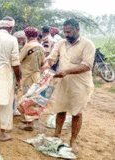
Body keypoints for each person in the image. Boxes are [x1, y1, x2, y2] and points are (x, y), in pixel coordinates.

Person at [42, 19, 95, 152]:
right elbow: (52, 57)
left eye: (69, 31)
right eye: (64, 32)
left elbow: (87, 65)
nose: (66, 34)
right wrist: (47, 64)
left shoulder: (88, 44)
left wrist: (66, 71)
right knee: (60, 110)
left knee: (77, 113)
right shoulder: (61, 43)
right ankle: (57, 135)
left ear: (77, 29)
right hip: (63, 83)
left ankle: (73, 141)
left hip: (80, 85)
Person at [18, 27, 45, 131]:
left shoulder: (27, 46)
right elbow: (43, 63)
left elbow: (18, 60)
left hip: (27, 76)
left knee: (27, 99)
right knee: (33, 98)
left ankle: (30, 124)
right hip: (37, 76)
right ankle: (29, 119)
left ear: (27, 36)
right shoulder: (41, 46)